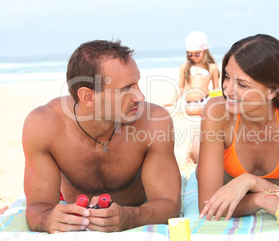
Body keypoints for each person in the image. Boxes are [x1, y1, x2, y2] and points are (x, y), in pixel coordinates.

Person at [22, 40, 181, 233]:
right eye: (126, 88)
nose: (140, 96)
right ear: (87, 97)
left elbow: (169, 204)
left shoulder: (154, 121)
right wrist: (48, 220)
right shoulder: (43, 125)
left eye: (137, 83)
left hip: (136, 207)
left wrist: (129, 217)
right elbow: (38, 207)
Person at [196, 34, 279, 221]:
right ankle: (195, 148)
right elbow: (209, 204)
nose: (227, 90)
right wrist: (259, 199)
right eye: (227, 77)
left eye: (241, 84)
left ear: (273, 90)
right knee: (199, 150)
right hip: (227, 165)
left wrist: (251, 181)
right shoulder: (216, 111)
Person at [164, 31, 220, 116]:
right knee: (192, 109)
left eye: (197, 54)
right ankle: (204, 111)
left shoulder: (212, 67)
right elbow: (181, 87)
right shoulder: (185, 67)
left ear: (205, 51)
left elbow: (216, 88)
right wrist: (173, 101)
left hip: (205, 99)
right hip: (191, 103)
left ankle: (206, 110)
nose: (193, 57)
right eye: (190, 54)